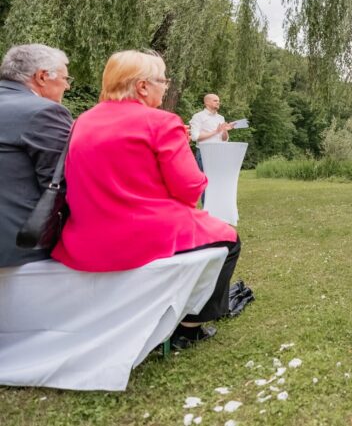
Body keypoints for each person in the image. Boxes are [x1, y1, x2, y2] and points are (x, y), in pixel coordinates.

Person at [51, 50, 241, 348]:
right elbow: (191, 188)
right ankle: (191, 326)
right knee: (229, 238)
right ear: (142, 86)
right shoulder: (162, 122)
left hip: (83, 238)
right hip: (141, 234)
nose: (165, 87)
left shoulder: (82, 121)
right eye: (163, 80)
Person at [0, 44, 73, 267]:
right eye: (65, 78)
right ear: (42, 76)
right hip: (20, 249)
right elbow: (62, 182)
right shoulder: (44, 112)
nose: (67, 86)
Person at [189, 93, 234, 169]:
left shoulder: (221, 118)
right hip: (204, 153)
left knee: (218, 179)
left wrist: (225, 130)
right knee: (205, 179)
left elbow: (224, 139)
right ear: (207, 102)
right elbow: (195, 137)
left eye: (219, 101)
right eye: (215, 101)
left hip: (219, 153)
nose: (218, 102)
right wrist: (215, 131)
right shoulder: (198, 116)